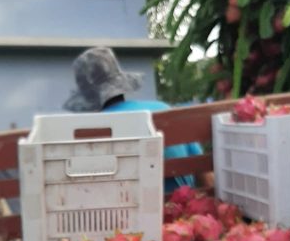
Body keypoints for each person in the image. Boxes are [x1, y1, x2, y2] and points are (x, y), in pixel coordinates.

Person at [63, 47, 203, 191]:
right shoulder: (164, 109)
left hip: (129, 204)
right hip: (182, 202)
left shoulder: (94, 130)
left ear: (87, 97)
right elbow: (202, 169)